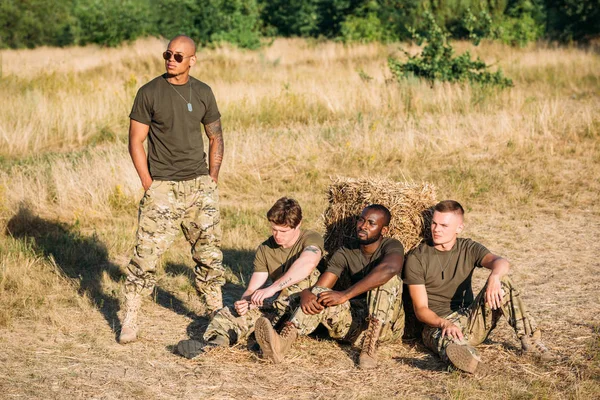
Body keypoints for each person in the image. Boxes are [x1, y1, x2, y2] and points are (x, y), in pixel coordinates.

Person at [119, 35, 225, 344]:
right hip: (163, 187)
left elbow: (216, 136)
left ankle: (215, 314)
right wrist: (149, 184)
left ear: (192, 60)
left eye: (179, 56)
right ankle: (130, 317)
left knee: (209, 255)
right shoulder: (149, 92)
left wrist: (212, 178)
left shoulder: (203, 92)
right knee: (145, 257)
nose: (171, 59)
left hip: (199, 187)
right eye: (168, 54)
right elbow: (135, 141)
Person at [404, 200, 553, 374]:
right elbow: (420, 309)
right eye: (434, 224)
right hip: (438, 325)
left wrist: (495, 277)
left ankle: (530, 340)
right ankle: (468, 359)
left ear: (459, 228)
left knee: (503, 282)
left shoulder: (468, 247)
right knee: (450, 342)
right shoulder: (417, 257)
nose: (436, 230)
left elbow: (501, 262)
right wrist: (444, 323)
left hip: (471, 318)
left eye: (444, 225)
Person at [255, 204, 405, 369]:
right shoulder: (345, 251)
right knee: (320, 294)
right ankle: (283, 342)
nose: (363, 226)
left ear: (383, 230)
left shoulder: (391, 246)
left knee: (387, 278)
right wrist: (307, 293)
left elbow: (390, 268)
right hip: (355, 325)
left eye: (371, 223)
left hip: (386, 327)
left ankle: (370, 349)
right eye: (361, 220)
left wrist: (345, 294)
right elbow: (323, 286)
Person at [177, 197, 324, 358]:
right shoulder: (265, 248)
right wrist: (245, 303)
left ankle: (275, 340)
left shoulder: (311, 238)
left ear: (298, 225)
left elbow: (308, 263)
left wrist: (272, 288)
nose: (277, 236)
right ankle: (214, 346)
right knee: (230, 312)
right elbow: (253, 287)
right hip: (279, 303)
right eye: (274, 229)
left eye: (283, 231)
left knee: (301, 283)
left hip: (306, 304)